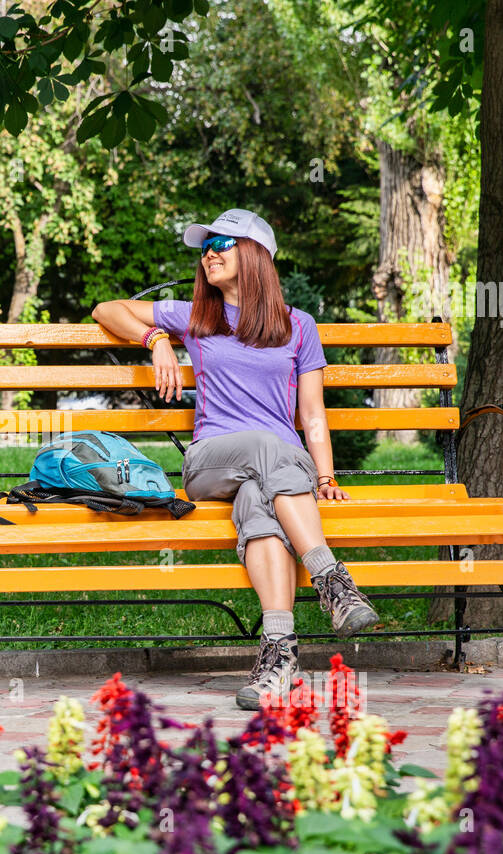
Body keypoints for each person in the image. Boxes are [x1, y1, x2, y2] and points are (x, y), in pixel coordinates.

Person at [90, 207, 379, 710]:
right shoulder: (197, 317)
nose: (208, 255)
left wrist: (326, 475)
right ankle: (332, 581)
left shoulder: (298, 325)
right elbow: (106, 309)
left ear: (255, 256)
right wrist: (156, 339)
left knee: (259, 509)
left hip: (276, 475)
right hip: (210, 463)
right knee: (270, 451)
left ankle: (279, 654)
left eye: (221, 244)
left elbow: (311, 415)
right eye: (205, 247)